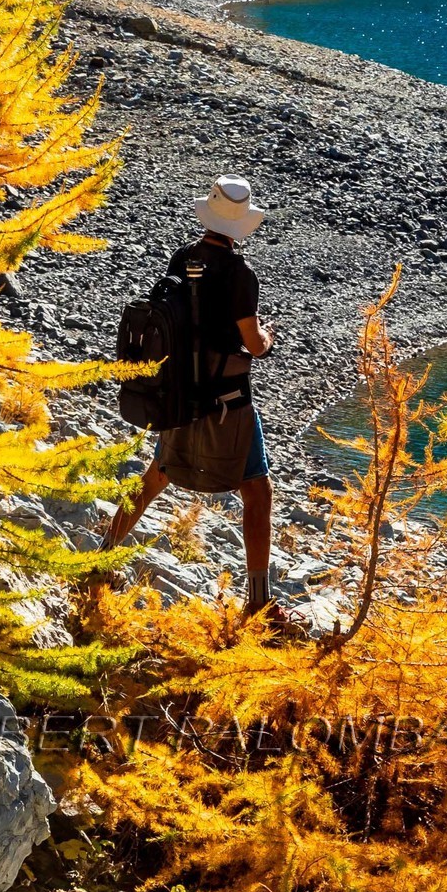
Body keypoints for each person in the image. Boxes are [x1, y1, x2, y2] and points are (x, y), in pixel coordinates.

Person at [104, 174, 280, 612]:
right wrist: (270, 337)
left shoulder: (182, 258)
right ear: (241, 225)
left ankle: (102, 553)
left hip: (180, 393)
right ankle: (258, 603)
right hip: (227, 398)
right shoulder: (241, 275)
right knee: (257, 491)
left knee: (156, 475)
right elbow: (252, 344)